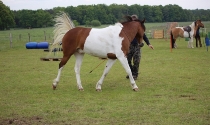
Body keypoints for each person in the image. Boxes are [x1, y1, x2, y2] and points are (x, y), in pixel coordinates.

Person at [126, 15, 154, 80]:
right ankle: (131, 73)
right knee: (127, 61)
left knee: (136, 61)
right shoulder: (128, 29)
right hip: (129, 47)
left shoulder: (139, 29)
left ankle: (135, 75)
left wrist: (149, 44)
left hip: (137, 46)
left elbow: (144, 36)